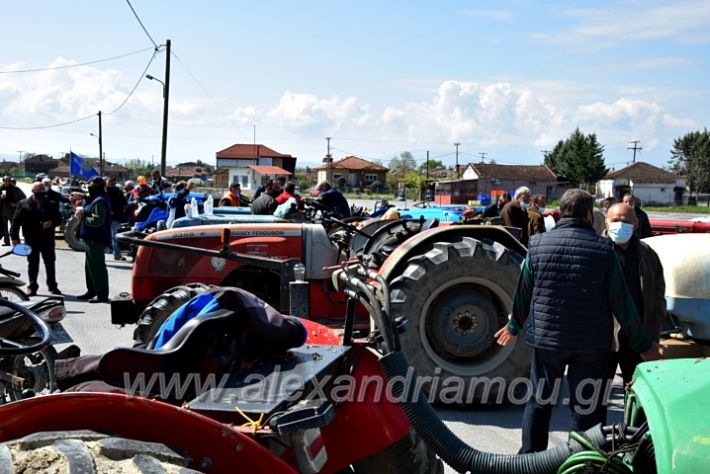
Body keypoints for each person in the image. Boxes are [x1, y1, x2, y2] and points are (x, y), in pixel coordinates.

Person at [494, 188, 661, 454]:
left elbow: (524, 292)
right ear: (588, 215)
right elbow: (622, 303)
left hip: (548, 342)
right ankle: (582, 462)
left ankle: (530, 462)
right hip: (591, 346)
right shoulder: (604, 249)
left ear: (561, 212)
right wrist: (643, 344)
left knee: (539, 402)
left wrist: (513, 327)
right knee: (586, 407)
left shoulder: (537, 245)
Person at [594, 203, 667, 424]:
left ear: (636, 224)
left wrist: (652, 333)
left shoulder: (646, 253)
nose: (620, 225)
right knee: (597, 398)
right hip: (603, 338)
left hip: (638, 337)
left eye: (626, 221)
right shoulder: (596, 250)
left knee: (636, 397)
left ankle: (631, 445)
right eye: (615, 220)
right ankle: (596, 446)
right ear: (606, 222)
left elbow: (658, 293)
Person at [10, 182, 62, 296]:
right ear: (33, 190)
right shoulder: (23, 204)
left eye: (42, 189)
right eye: (38, 189)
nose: (41, 191)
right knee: (33, 264)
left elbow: (59, 219)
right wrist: (14, 237)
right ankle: (32, 287)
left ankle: (52, 286)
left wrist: (51, 222)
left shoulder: (51, 203)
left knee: (50, 263)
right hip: (31, 239)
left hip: (47, 238)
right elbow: (16, 221)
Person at [75, 177, 112, 303]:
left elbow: (97, 220)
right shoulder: (96, 198)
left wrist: (82, 217)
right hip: (91, 237)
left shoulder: (100, 200)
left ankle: (101, 294)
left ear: (96, 185)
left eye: (90, 184)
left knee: (97, 267)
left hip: (96, 238)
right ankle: (92, 291)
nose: (88, 186)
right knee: (89, 267)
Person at [106, 176, 127, 261]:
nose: (111, 183)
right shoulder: (104, 191)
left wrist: (117, 211)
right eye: (110, 181)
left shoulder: (118, 191)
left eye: (112, 182)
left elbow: (123, 203)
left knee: (115, 236)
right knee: (104, 236)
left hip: (115, 217)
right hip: (105, 217)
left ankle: (117, 254)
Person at [1, 176, 26, 246]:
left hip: (13, 211)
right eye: (5, 181)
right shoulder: (1, 188)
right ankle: (6, 242)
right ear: (3, 181)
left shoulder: (15, 189)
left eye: (8, 181)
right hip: (3, 210)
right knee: (4, 227)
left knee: (14, 226)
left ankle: (16, 241)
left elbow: (24, 198)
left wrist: (16, 204)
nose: (7, 182)